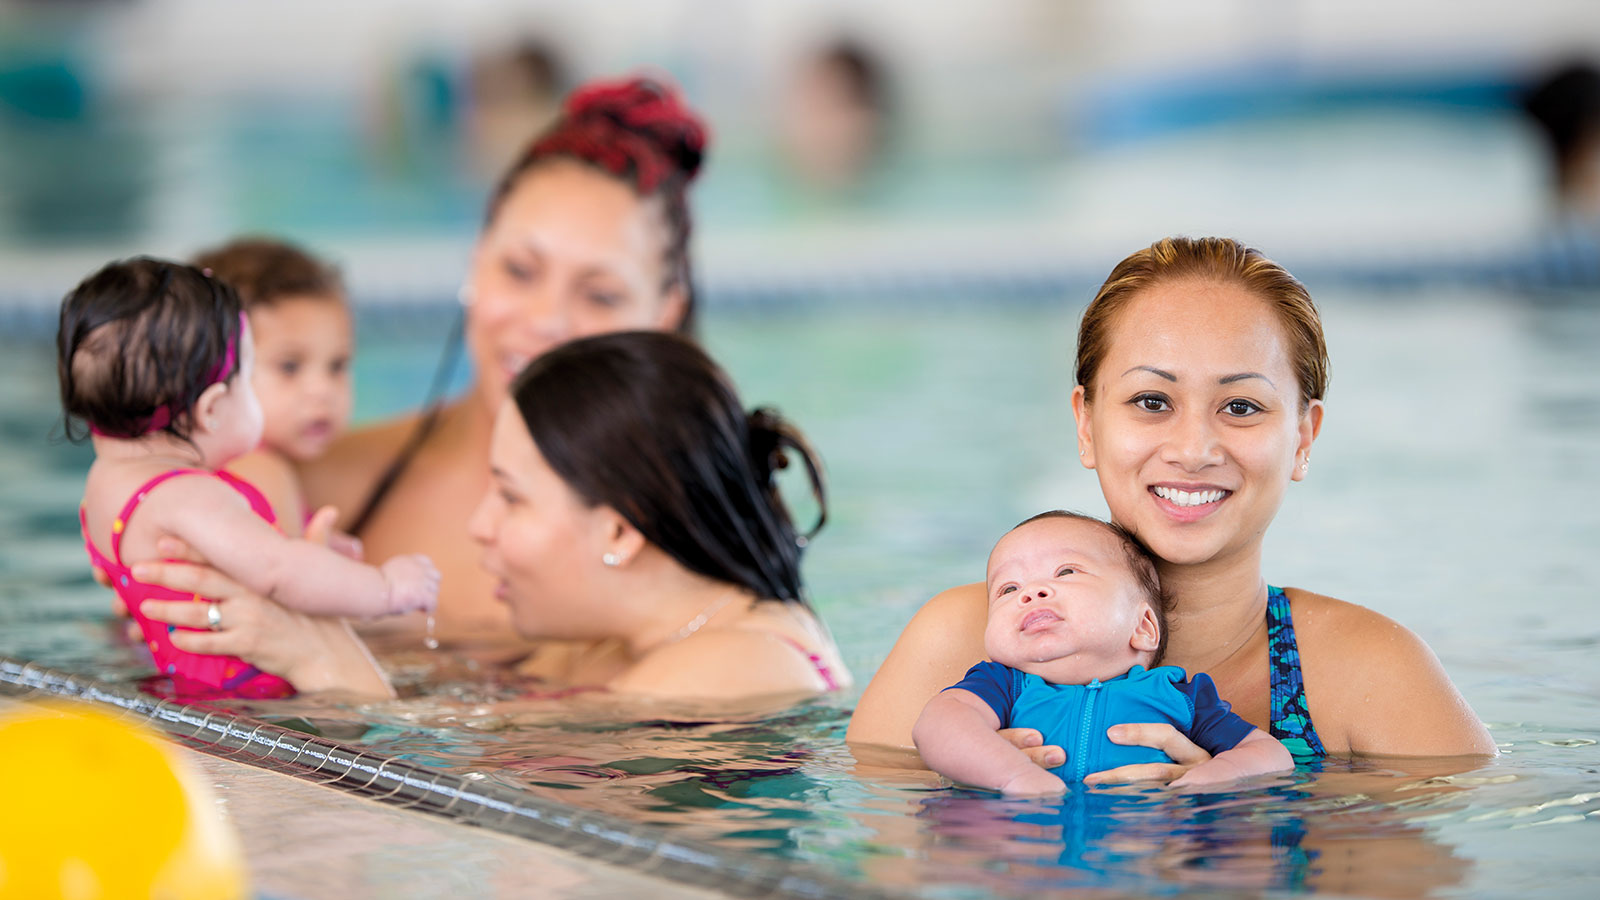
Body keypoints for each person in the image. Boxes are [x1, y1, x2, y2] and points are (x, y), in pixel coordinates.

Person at [849, 236, 1497, 776]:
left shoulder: (1371, 673)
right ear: (1086, 423)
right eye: (1152, 402)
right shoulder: (962, 641)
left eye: (1241, 407)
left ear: (1302, 437)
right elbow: (869, 860)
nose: (1193, 448)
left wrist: (1254, 816)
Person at [135, 332, 850, 702]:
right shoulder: (619, 641)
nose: (480, 524)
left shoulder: (734, 665)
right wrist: (329, 615)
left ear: (620, 530)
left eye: (510, 495)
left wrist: (324, 659)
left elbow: (478, 788)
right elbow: (477, 724)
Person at [298, 75, 708, 650]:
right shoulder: (324, 489)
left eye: (600, 295)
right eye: (519, 271)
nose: (546, 322)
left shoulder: (697, 539)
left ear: (666, 315)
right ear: (475, 264)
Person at [60, 258, 439, 698]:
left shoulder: (102, 486)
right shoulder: (194, 495)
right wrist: (387, 589)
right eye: (250, 374)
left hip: (185, 686)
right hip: (253, 699)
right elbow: (279, 573)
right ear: (212, 408)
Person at [913, 511, 1291, 795]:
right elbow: (938, 724)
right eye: (1008, 589)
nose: (1032, 592)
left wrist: (1210, 778)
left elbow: (1269, 754)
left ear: (1142, 627)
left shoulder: (1179, 695)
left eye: (1066, 572)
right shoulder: (1002, 685)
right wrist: (1012, 775)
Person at [193, 237, 354, 534]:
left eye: (337, 365)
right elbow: (290, 580)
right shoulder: (259, 472)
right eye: (289, 366)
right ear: (212, 374)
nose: (323, 389)